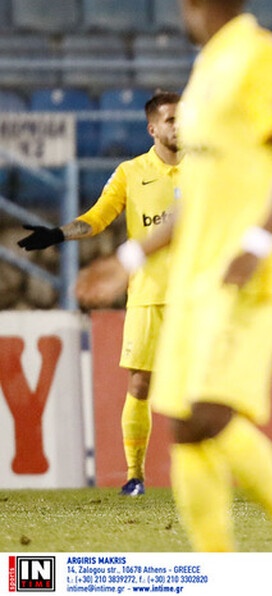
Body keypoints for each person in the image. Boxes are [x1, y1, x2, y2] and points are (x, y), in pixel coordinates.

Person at [76, 0, 272, 552]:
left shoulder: (262, 56)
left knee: (209, 415)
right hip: (202, 276)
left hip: (252, 274)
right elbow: (198, 197)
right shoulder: (207, 70)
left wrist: (256, 241)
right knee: (188, 427)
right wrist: (129, 258)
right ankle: (240, 562)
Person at [19, 91, 182, 497]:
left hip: (198, 296)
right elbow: (98, 217)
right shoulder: (131, 172)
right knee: (140, 385)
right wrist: (58, 234)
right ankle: (134, 475)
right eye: (171, 120)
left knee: (208, 388)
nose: (180, 126)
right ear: (152, 128)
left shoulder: (206, 168)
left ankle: (213, 475)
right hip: (148, 295)